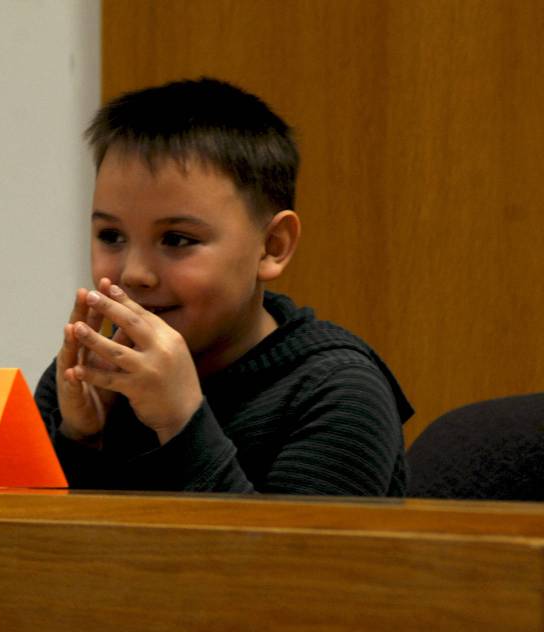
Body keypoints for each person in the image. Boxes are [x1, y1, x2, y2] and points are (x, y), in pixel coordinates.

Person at [34, 76, 413, 495]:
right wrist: (80, 440)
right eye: (111, 236)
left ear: (272, 246)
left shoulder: (338, 393)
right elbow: (21, 554)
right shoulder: (89, 377)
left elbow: (277, 562)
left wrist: (182, 424)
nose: (134, 273)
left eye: (177, 240)